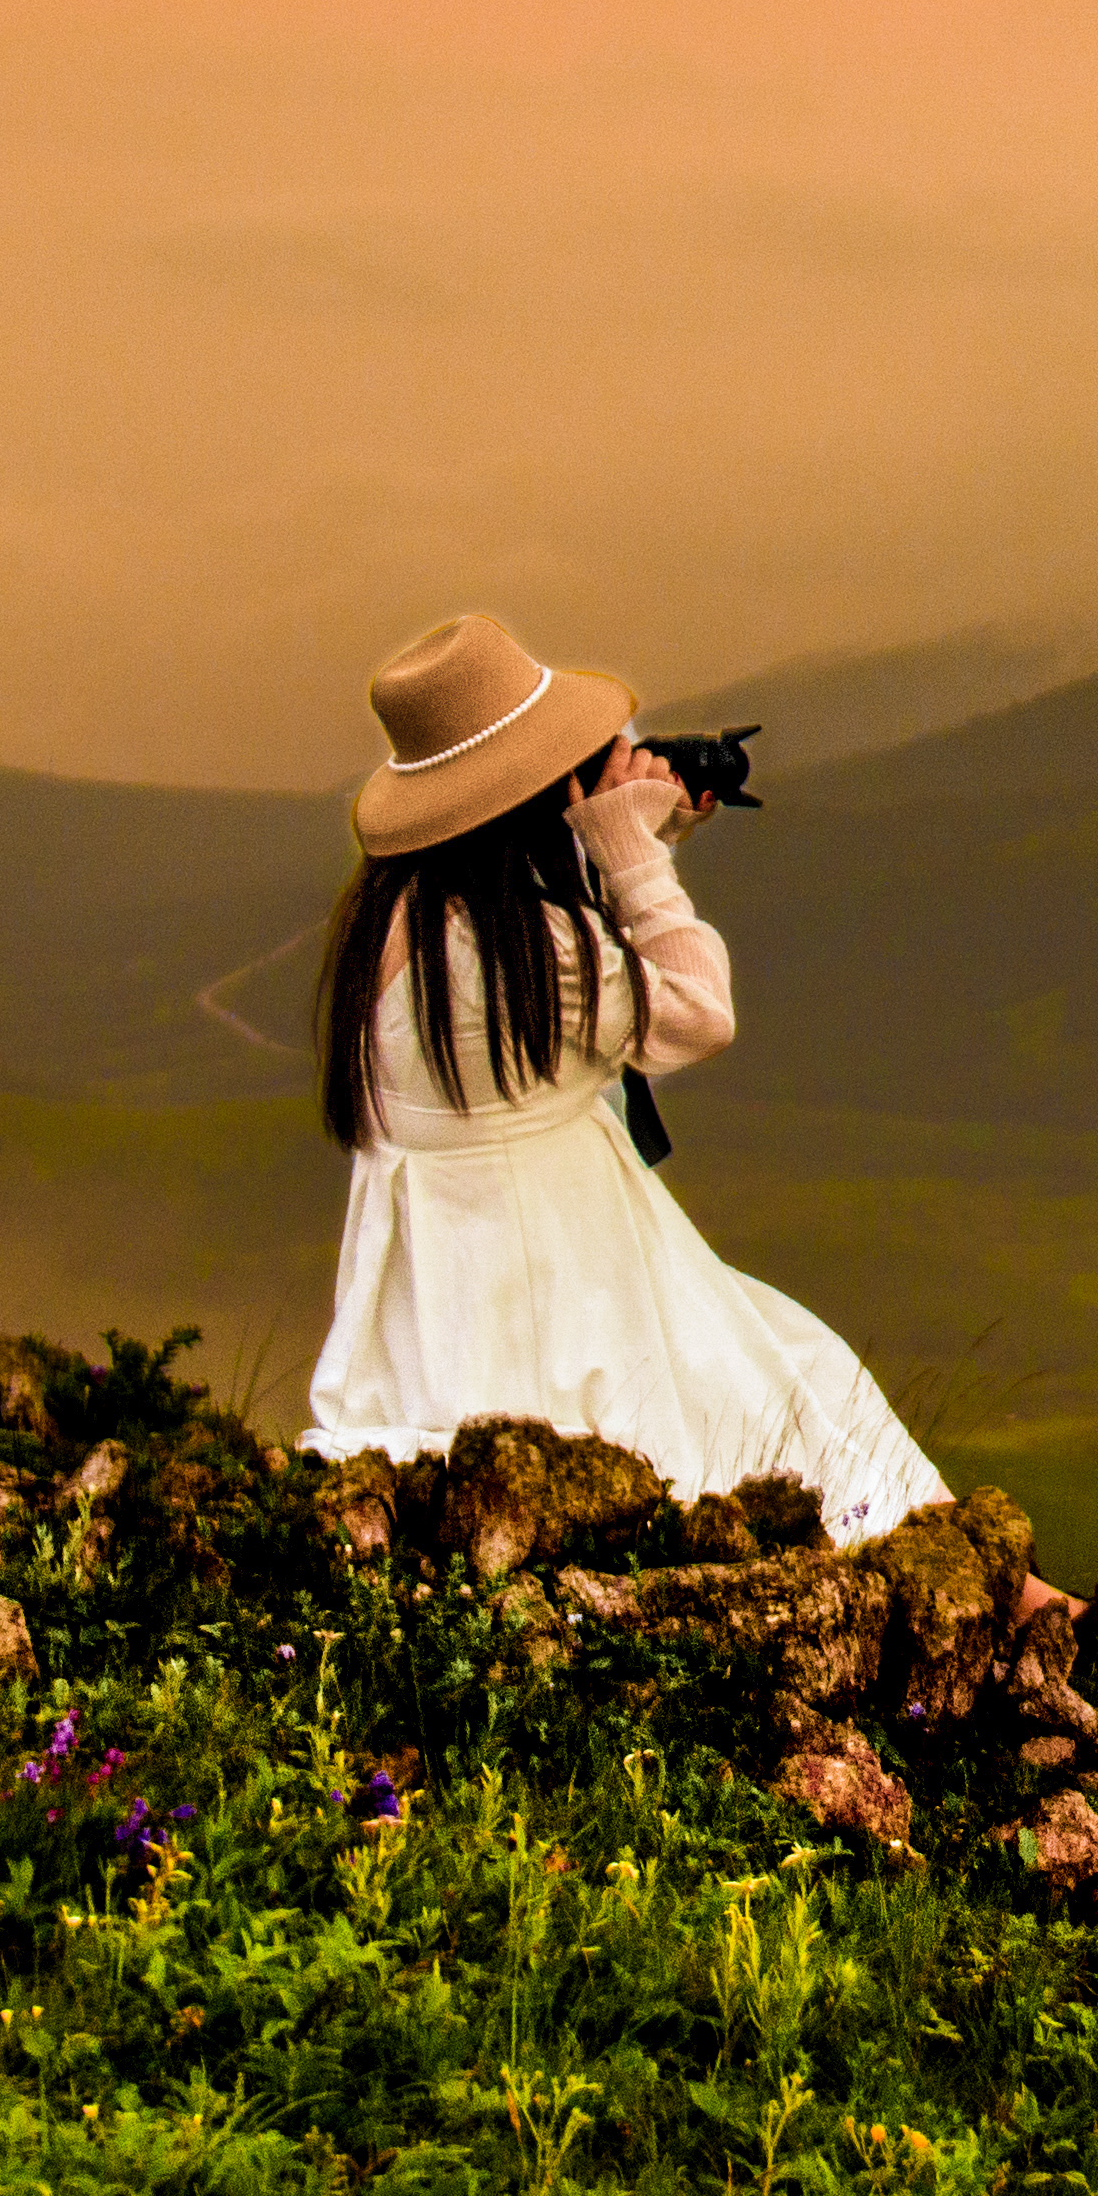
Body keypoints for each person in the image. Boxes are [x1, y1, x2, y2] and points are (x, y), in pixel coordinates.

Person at [291, 606, 953, 1532]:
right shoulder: (528, 950)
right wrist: (635, 855)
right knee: (797, 1404)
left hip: (457, 1302)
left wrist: (628, 842)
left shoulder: (401, 919)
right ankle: (1042, 1612)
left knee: (801, 1379)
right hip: (568, 1299)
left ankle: (1045, 1608)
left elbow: (536, 1017)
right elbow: (695, 1013)